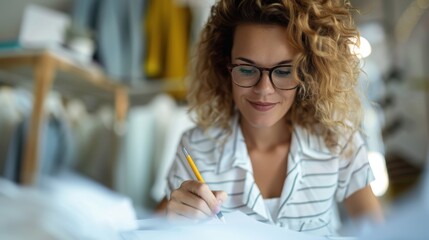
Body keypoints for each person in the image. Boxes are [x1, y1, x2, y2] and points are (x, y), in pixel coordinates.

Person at [156, 0, 383, 236]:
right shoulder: (195, 148)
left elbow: (379, 233)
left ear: (307, 72)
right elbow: (150, 229)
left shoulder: (338, 140)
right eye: (246, 69)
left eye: (284, 71)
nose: (264, 90)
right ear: (226, 66)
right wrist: (172, 221)